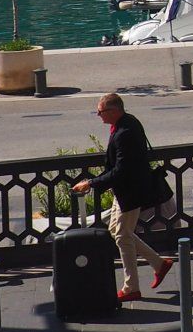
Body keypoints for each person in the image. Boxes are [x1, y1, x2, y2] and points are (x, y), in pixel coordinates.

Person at [73, 93, 173, 302]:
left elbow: (121, 171)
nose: (98, 116)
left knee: (122, 236)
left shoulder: (124, 133)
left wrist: (91, 183)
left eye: (100, 112)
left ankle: (131, 288)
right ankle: (159, 264)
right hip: (126, 190)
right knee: (118, 231)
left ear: (113, 111)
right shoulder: (127, 122)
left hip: (131, 192)